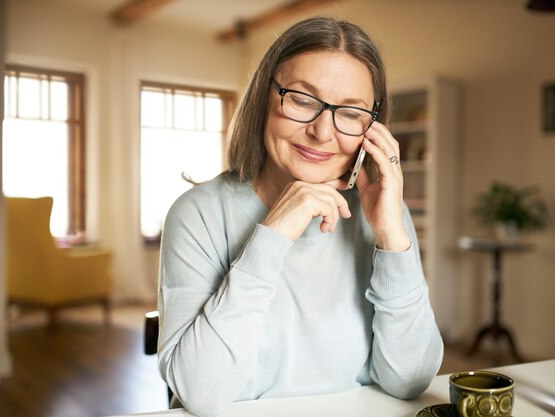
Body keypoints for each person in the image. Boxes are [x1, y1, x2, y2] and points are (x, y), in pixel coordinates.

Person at [157, 16, 443, 417]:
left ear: (372, 128)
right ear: (264, 98)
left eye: (350, 112)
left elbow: (410, 380)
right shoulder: (198, 214)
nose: (323, 132)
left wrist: (392, 237)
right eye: (302, 100)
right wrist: (271, 237)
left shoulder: (383, 217)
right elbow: (199, 394)